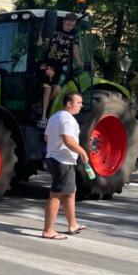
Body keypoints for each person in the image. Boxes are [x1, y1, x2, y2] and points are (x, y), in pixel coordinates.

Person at [42, 92, 89, 239]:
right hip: (62, 160)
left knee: (70, 192)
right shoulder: (68, 119)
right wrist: (83, 152)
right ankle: (48, 230)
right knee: (56, 194)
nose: (81, 105)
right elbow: (68, 140)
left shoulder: (55, 117)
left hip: (54, 157)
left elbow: (46, 137)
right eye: (79, 102)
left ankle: (72, 224)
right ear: (69, 103)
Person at [37, 12, 83, 128]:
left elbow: (75, 50)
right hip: (49, 63)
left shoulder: (73, 34)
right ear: (63, 22)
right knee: (47, 89)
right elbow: (42, 36)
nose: (70, 27)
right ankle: (43, 117)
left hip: (60, 66)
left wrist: (80, 62)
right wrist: (40, 39)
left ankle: (40, 104)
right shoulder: (55, 29)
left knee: (57, 89)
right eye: (68, 24)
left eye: (72, 25)